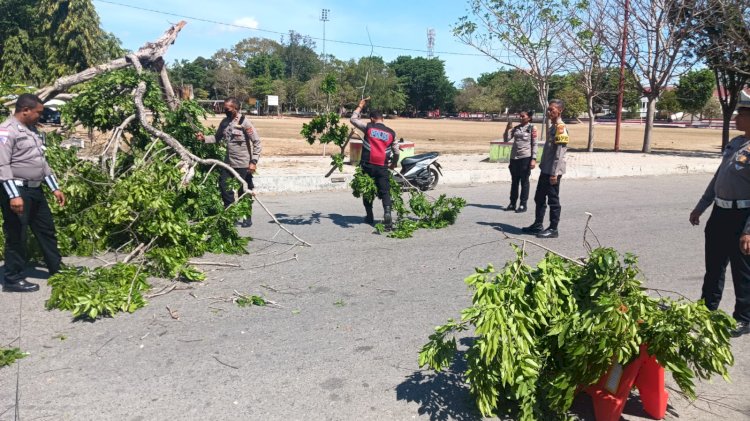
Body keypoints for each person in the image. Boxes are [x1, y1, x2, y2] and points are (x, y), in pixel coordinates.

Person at [689, 90, 750, 337]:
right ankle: (706, 309)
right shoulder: (735, 143)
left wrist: (748, 231)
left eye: (742, 114)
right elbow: (718, 178)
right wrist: (701, 206)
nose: (736, 117)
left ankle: (744, 317)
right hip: (720, 214)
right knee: (713, 266)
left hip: (742, 216)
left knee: (742, 270)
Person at [0, 94, 66, 292]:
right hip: (17, 190)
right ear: (25, 110)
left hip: (35, 189)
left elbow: (40, 162)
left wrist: (54, 187)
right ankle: (12, 278)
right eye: (38, 112)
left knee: (46, 230)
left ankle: (57, 268)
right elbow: (2, 165)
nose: (40, 115)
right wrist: (14, 195)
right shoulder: (6, 131)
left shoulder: (32, 130)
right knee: (17, 234)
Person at [197, 98, 261, 227]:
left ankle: (247, 217)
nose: (225, 110)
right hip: (228, 163)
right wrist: (204, 138)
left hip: (243, 163)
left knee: (243, 191)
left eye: (228, 108)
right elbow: (216, 138)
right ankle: (230, 214)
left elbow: (257, 142)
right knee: (224, 187)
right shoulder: (225, 122)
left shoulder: (245, 122)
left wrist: (253, 161)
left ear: (235, 108)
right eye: (224, 108)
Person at [350, 97, 400, 229]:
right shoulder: (391, 133)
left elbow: (353, 120)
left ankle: (369, 216)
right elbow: (396, 152)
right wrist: (393, 164)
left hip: (367, 164)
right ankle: (387, 214)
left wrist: (360, 106)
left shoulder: (368, 128)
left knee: (367, 190)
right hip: (382, 166)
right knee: (385, 191)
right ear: (382, 119)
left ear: (372, 118)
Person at [522, 99, 569, 239]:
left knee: (553, 200)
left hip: (553, 171)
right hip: (546, 169)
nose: (549, 112)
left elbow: (559, 153)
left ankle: (553, 228)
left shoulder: (561, 127)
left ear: (560, 110)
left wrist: (554, 173)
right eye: (548, 110)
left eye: (552, 110)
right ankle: (538, 224)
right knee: (539, 197)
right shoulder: (553, 127)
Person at [503, 111, 538, 213]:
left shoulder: (532, 128)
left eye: (523, 116)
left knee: (524, 182)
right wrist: (507, 128)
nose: (521, 117)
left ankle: (523, 204)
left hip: (525, 158)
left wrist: (533, 159)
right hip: (514, 158)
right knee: (514, 182)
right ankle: (512, 203)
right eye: (520, 116)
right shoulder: (517, 128)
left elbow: (535, 144)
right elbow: (506, 139)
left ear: (529, 117)